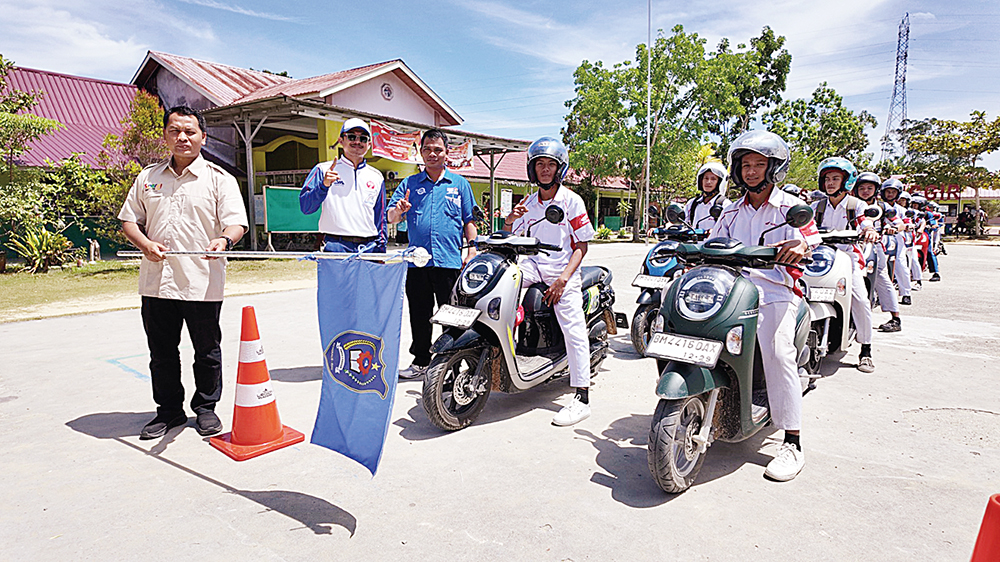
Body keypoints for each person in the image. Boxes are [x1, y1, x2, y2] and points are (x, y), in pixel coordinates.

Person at [118, 106, 249, 440]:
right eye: (175, 131)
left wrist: (224, 239)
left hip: (201, 281)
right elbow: (129, 220)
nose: (182, 138)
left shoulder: (220, 180)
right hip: (156, 282)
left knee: (206, 352)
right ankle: (169, 412)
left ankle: (206, 409)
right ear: (165, 135)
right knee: (161, 353)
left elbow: (237, 223)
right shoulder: (148, 178)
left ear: (203, 137)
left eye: (190, 132)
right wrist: (145, 244)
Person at [710, 130, 819, 482]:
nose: (751, 171)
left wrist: (802, 248)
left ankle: (792, 441)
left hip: (776, 291)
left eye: (759, 164)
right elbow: (713, 243)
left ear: (774, 168)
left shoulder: (791, 207)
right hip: (734, 289)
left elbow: (814, 242)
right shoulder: (729, 210)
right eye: (745, 165)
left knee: (777, 351)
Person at [504, 137, 596, 426]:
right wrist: (510, 219)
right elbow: (511, 234)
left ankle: (582, 396)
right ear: (532, 169)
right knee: (503, 289)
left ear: (560, 169)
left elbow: (581, 246)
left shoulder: (572, 201)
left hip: (563, 268)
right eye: (539, 164)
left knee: (574, 328)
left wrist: (563, 280)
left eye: (550, 165)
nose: (545, 170)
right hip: (533, 265)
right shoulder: (528, 202)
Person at [388, 129, 478, 379]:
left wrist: (472, 248)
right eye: (427, 149)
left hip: (449, 262)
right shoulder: (410, 184)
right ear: (420, 152)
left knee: (451, 316)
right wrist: (399, 210)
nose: (432, 154)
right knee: (419, 314)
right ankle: (420, 362)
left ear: (446, 153)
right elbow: (391, 216)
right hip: (418, 264)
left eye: (437, 149)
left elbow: (469, 220)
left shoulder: (460, 185)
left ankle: (452, 364)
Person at [812, 158, 878, 373]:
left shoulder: (855, 204)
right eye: (827, 179)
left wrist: (869, 229)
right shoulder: (817, 206)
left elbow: (865, 221)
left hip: (848, 258)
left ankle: (866, 350)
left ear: (846, 181)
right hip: (820, 258)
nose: (830, 183)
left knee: (860, 299)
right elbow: (805, 226)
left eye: (835, 178)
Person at [299, 118, 386, 253]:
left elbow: (380, 218)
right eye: (351, 137)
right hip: (336, 245)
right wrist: (324, 185)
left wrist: (380, 249)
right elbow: (306, 207)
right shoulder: (323, 170)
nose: (357, 142)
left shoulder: (376, 176)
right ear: (341, 140)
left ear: (369, 144)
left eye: (363, 139)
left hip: (368, 247)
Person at [854, 173, 903, 332]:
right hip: (851, 246)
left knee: (882, 277)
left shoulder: (883, 207)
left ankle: (895, 318)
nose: (865, 191)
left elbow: (900, 223)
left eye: (869, 188)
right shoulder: (852, 204)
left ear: (876, 190)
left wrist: (893, 228)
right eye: (861, 188)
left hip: (874, 247)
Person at [880, 179, 913, 306]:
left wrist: (907, 226)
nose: (890, 194)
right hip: (880, 237)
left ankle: (906, 293)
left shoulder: (900, 209)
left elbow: (906, 221)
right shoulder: (878, 206)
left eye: (893, 192)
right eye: (887, 191)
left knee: (900, 263)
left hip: (897, 238)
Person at [685, 162, 731, 230]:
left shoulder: (725, 205)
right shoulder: (692, 203)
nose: (708, 182)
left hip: (716, 240)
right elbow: (682, 222)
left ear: (719, 183)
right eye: (706, 178)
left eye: (713, 179)